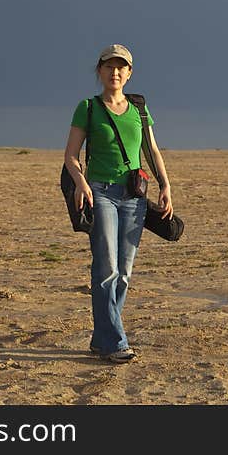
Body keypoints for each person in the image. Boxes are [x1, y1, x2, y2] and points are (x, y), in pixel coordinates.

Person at [63, 44, 174, 363]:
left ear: (129, 73)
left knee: (123, 271)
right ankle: (116, 341)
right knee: (107, 267)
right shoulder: (88, 107)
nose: (115, 72)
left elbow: (152, 151)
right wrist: (81, 183)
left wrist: (165, 185)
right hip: (100, 193)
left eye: (121, 67)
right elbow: (70, 155)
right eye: (109, 66)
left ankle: (101, 338)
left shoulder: (140, 109)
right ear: (99, 71)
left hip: (134, 197)